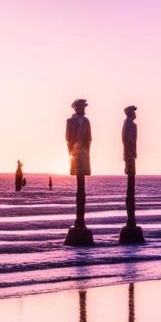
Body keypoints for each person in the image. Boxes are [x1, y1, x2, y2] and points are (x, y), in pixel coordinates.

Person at [64, 98, 94, 245]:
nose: (82, 109)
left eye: (83, 107)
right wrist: (71, 154)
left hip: (83, 153)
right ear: (76, 108)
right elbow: (68, 139)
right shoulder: (70, 122)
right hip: (75, 154)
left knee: (82, 185)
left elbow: (89, 139)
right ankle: (79, 220)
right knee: (79, 186)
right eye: (80, 107)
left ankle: (81, 220)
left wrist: (86, 151)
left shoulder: (86, 121)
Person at [119, 105, 144, 243]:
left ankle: (131, 219)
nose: (135, 114)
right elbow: (126, 141)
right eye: (133, 112)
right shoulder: (127, 125)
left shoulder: (133, 125)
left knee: (132, 184)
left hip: (132, 155)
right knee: (130, 186)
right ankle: (130, 219)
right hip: (129, 156)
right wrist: (127, 157)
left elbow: (134, 141)